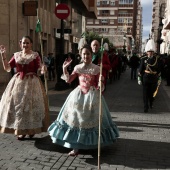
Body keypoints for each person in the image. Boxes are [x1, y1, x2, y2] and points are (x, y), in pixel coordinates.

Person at [48, 44, 119, 156]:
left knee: (92, 120)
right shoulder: (77, 67)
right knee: (76, 119)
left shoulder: (96, 68)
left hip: (92, 96)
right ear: (81, 55)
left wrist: (101, 81)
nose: (86, 56)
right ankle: (75, 146)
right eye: (84, 54)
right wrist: (64, 68)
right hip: (78, 95)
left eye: (88, 54)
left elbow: (100, 86)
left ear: (91, 55)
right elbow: (69, 80)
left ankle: (92, 144)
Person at [0, 36, 49, 140]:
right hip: (18, 83)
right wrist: (3, 55)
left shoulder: (35, 55)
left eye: (27, 43)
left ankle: (31, 129)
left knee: (30, 107)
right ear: (20, 44)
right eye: (23, 43)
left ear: (31, 44)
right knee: (18, 106)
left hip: (32, 83)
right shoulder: (16, 55)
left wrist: (43, 69)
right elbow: (7, 68)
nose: (25, 45)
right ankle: (21, 130)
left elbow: (40, 69)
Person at [138, 39, 162, 113]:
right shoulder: (143, 59)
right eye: (149, 51)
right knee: (145, 93)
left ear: (153, 52)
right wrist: (139, 78)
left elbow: (159, 70)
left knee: (152, 93)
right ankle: (146, 107)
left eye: (151, 52)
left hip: (154, 78)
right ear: (146, 52)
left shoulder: (157, 59)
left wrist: (159, 78)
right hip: (146, 78)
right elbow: (140, 70)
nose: (150, 53)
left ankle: (151, 102)